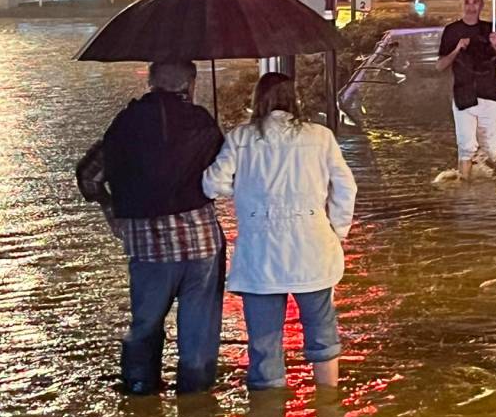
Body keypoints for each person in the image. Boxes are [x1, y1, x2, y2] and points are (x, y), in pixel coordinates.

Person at [202, 73, 357, 391]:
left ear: (258, 100)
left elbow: (212, 185)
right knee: (322, 336)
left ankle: (268, 407)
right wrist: (338, 231)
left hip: (260, 259)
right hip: (313, 249)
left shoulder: (240, 138)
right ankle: (328, 405)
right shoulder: (320, 136)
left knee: (264, 346)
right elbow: (346, 187)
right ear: (294, 99)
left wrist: (242, 185)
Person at [78, 61, 225, 395]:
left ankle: (141, 391)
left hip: (148, 245)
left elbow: (89, 176)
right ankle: (196, 396)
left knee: (145, 323)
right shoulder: (201, 121)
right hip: (201, 242)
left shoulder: (125, 124)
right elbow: (224, 175)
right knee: (199, 325)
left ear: (151, 82)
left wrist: (110, 207)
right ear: (190, 85)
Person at [436, 0, 496, 179]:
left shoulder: (490, 29)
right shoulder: (452, 31)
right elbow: (440, 65)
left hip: (491, 95)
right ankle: (466, 193)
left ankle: (488, 194)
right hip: (464, 95)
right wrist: (456, 49)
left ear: (482, 4)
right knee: (466, 147)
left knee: (491, 149)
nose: (471, 6)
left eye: (475, 2)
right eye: (467, 2)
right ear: (461, 4)